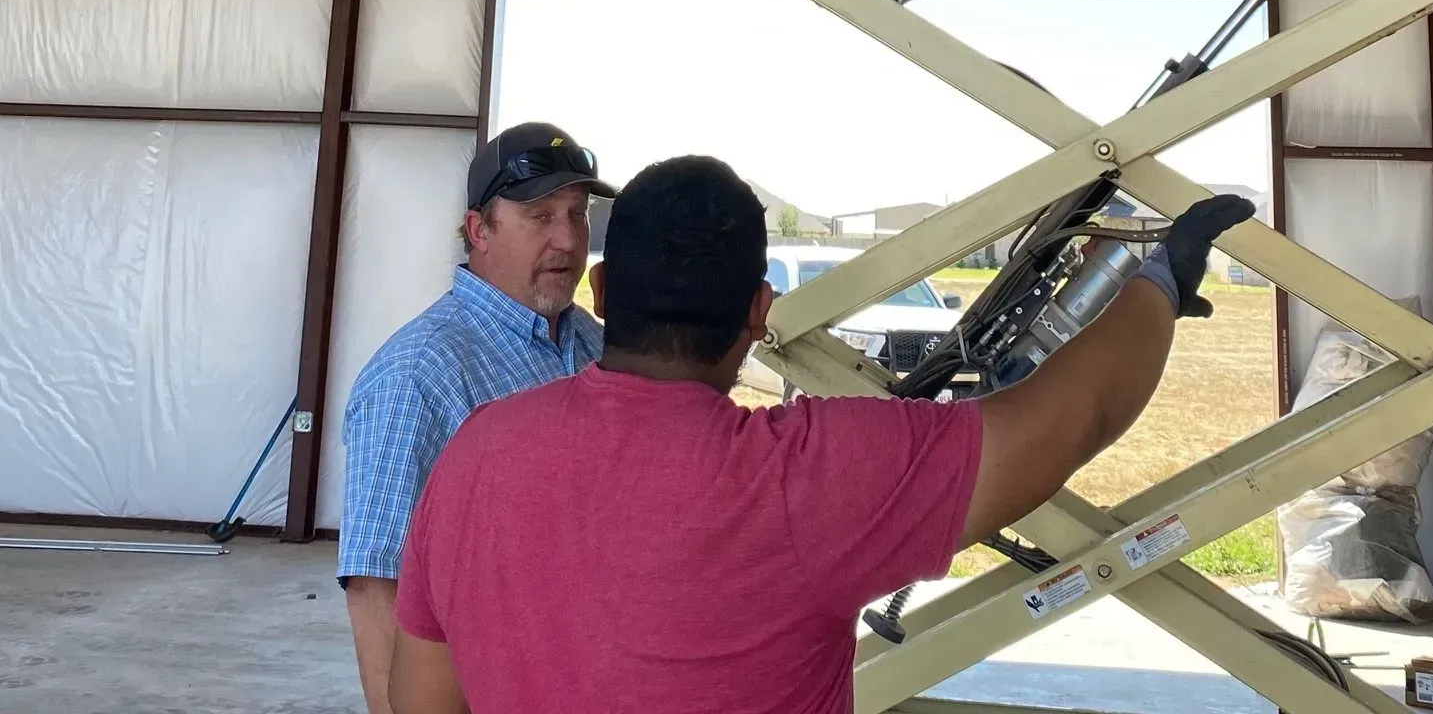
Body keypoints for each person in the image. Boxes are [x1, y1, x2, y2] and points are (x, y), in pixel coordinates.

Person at [387, 154, 1253, 714]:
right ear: (759, 312)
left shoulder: (477, 457)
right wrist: (1160, 282)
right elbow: (1076, 416)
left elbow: (421, 697)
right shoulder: (807, 477)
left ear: (603, 295)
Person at [338, 122, 615, 714]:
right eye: (540, 217)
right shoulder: (419, 375)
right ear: (478, 230)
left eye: (578, 214)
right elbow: (376, 585)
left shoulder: (595, 347)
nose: (568, 240)